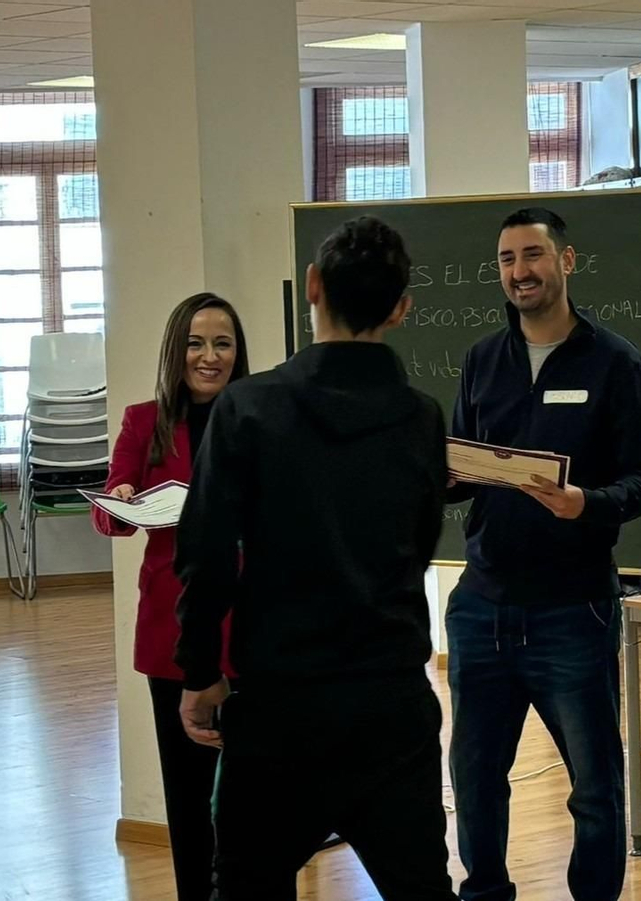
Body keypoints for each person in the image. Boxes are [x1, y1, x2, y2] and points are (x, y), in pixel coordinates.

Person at [173, 216, 456, 901]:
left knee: (247, 887)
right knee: (422, 889)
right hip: (391, 700)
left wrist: (201, 670)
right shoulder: (421, 417)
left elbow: (206, 552)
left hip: (279, 705)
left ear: (311, 286)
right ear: (400, 308)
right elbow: (421, 544)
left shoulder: (246, 408)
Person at [446, 207, 641, 901]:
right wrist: (446, 473)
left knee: (596, 786)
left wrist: (588, 504)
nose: (520, 271)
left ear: (565, 262)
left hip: (574, 610)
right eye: (508, 259)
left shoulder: (616, 361)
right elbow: (458, 458)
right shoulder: (483, 358)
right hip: (482, 606)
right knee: (476, 777)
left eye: (533, 255)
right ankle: (484, 892)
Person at [92, 291, 247, 901]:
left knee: (258, 798)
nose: (209, 357)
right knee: (187, 797)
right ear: (175, 350)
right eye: (196, 343)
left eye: (223, 343)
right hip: (175, 629)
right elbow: (111, 521)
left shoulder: (260, 415)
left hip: (256, 624)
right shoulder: (143, 420)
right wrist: (124, 498)